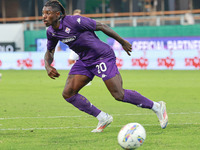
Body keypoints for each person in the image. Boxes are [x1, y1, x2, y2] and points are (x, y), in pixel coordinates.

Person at [42, 0, 168, 132]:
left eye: (48, 13)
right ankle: (103, 117)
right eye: (43, 13)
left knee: (119, 94)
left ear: (57, 14)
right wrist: (47, 66)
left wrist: (122, 42)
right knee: (68, 93)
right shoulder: (51, 32)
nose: (44, 16)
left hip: (102, 56)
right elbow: (50, 51)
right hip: (84, 61)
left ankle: (156, 106)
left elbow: (101, 26)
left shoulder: (74, 21)